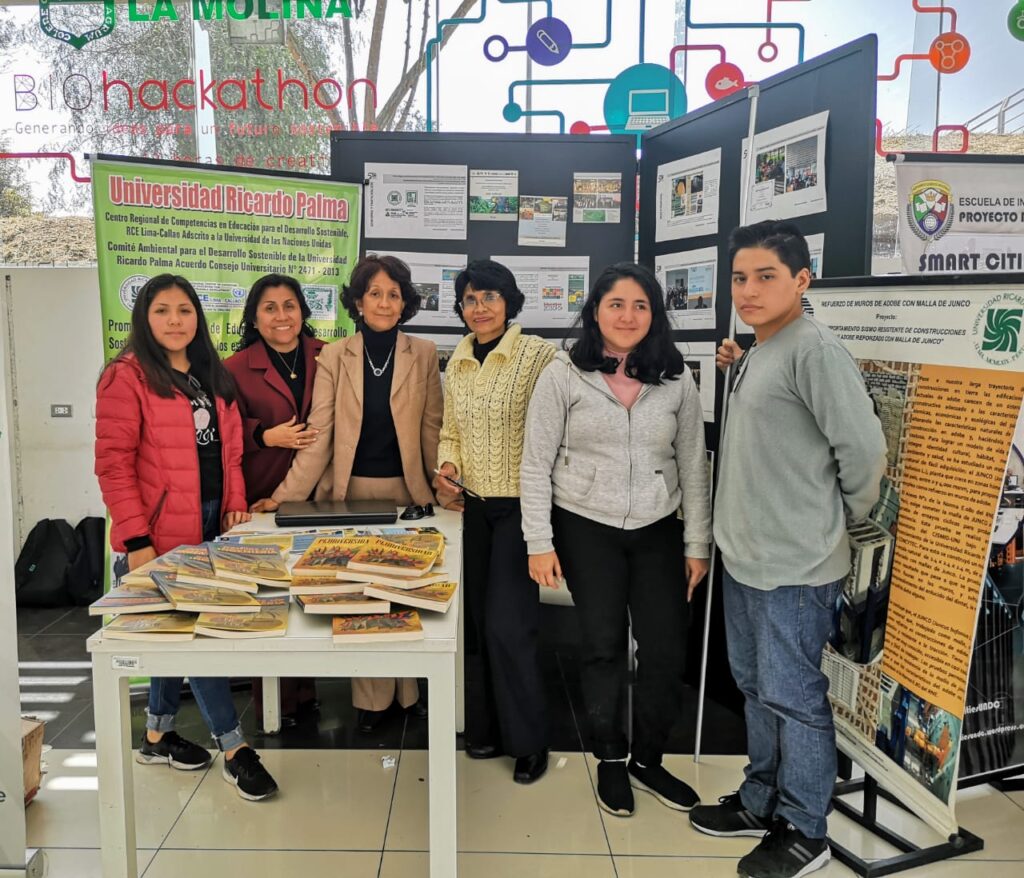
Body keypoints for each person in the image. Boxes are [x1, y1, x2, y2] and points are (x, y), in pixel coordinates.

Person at [689, 221, 885, 878]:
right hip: (747, 559)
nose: (748, 289)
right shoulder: (762, 349)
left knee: (794, 696)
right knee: (755, 686)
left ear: (802, 280)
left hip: (795, 567)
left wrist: (839, 523)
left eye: (765, 276)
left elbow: (862, 453)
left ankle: (805, 829)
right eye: (740, 277)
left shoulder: (814, 350)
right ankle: (760, 798)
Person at [520, 263, 711, 817]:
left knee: (664, 650)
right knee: (602, 646)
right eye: (615, 304)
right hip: (584, 525)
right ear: (595, 310)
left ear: (655, 314)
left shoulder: (675, 376)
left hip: (658, 528)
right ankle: (609, 758)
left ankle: (647, 760)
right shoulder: (563, 374)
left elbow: (693, 465)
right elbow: (536, 464)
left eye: (640, 305)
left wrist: (696, 543)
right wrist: (539, 541)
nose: (627, 316)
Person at [94, 273, 279, 801]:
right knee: (198, 639)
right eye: (162, 311)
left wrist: (235, 503)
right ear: (144, 319)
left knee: (171, 637)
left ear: (197, 317)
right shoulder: (125, 377)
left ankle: (155, 735)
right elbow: (112, 465)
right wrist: (135, 542)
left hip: (210, 527)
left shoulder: (209, 375)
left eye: (184, 310)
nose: (175, 321)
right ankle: (235, 748)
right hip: (156, 536)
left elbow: (233, 450)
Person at [252, 255, 441, 732]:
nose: (384, 302)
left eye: (394, 294)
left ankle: (409, 692)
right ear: (357, 302)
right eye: (374, 293)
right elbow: (320, 433)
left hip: (408, 491)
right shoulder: (335, 356)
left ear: (405, 303)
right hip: (351, 491)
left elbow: (434, 428)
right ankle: (372, 704)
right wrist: (285, 495)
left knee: (406, 591)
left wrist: (445, 484)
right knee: (360, 595)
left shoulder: (423, 351)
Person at [433, 259, 554, 785]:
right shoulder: (458, 359)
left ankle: (529, 742)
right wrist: (448, 466)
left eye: (489, 297)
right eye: (469, 299)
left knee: (510, 623)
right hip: (475, 506)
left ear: (509, 301)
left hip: (524, 508)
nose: (479, 308)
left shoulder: (539, 356)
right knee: (479, 624)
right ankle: (485, 729)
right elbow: (451, 431)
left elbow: (555, 430)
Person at [225, 274, 324, 726]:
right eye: (269, 307)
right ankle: (274, 706)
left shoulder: (328, 355)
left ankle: (308, 695)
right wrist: (267, 434)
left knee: (309, 588)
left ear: (302, 311)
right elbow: (222, 434)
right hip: (262, 491)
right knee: (268, 594)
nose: (281, 316)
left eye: (289, 305)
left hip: (318, 492)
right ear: (254, 316)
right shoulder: (234, 367)